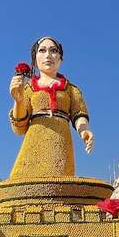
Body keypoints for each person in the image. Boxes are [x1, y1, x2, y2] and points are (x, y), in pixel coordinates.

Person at [8, 36, 93, 179]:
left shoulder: (70, 89)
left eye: (53, 50)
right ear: (35, 59)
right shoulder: (28, 88)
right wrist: (18, 101)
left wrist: (84, 130)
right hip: (32, 149)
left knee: (59, 187)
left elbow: (79, 113)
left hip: (60, 146)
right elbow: (19, 128)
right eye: (42, 50)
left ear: (60, 58)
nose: (48, 55)